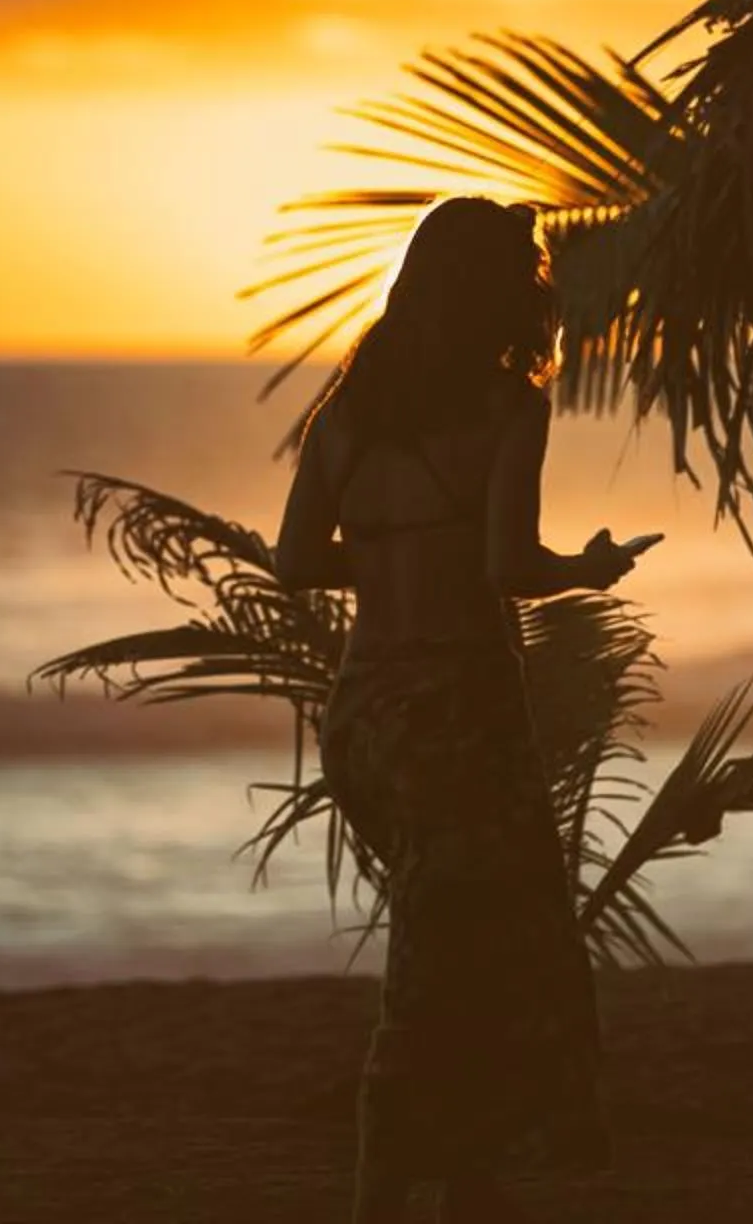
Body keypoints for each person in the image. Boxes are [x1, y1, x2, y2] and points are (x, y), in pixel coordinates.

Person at [266, 196, 661, 1223]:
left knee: (456, 941)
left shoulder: (343, 418)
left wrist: (391, 552)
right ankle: (386, 1192)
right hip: (458, 714)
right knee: (460, 960)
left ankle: (470, 1183)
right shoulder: (507, 411)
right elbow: (505, 567)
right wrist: (586, 568)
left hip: (365, 719)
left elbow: (295, 561)